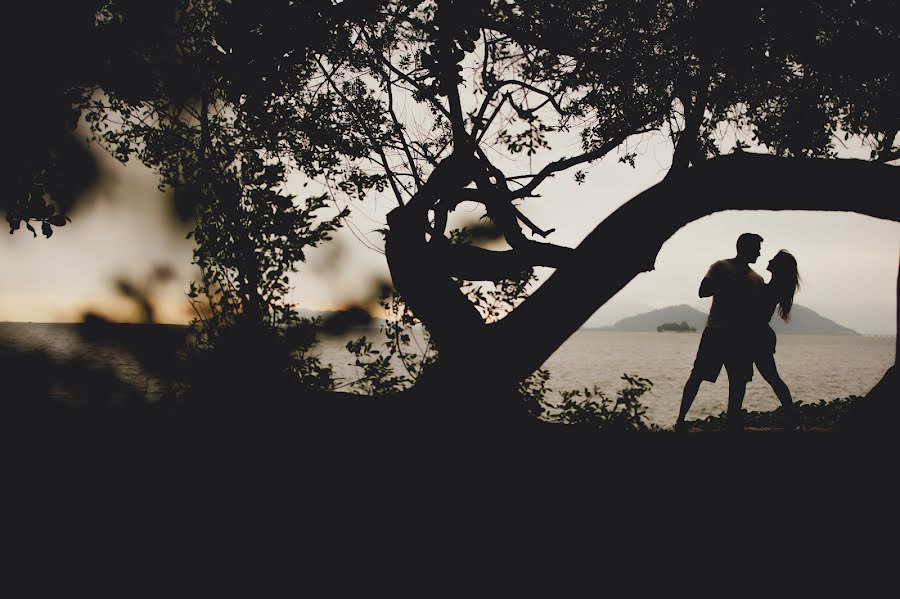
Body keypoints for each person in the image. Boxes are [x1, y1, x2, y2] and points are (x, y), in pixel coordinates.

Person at [675, 233, 766, 432]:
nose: (759, 253)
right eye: (756, 249)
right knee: (697, 375)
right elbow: (703, 291)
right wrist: (729, 285)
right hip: (716, 332)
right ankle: (680, 420)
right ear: (744, 248)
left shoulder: (757, 279)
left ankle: (732, 423)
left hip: (741, 337)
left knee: (739, 380)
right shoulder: (721, 267)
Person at [751, 250, 802, 430]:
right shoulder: (775, 287)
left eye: (773, 259)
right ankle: (791, 414)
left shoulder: (771, 288)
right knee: (772, 378)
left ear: (778, 267)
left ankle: (792, 415)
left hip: (757, 336)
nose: (769, 260)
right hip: (761, 335)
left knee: (771, 378)